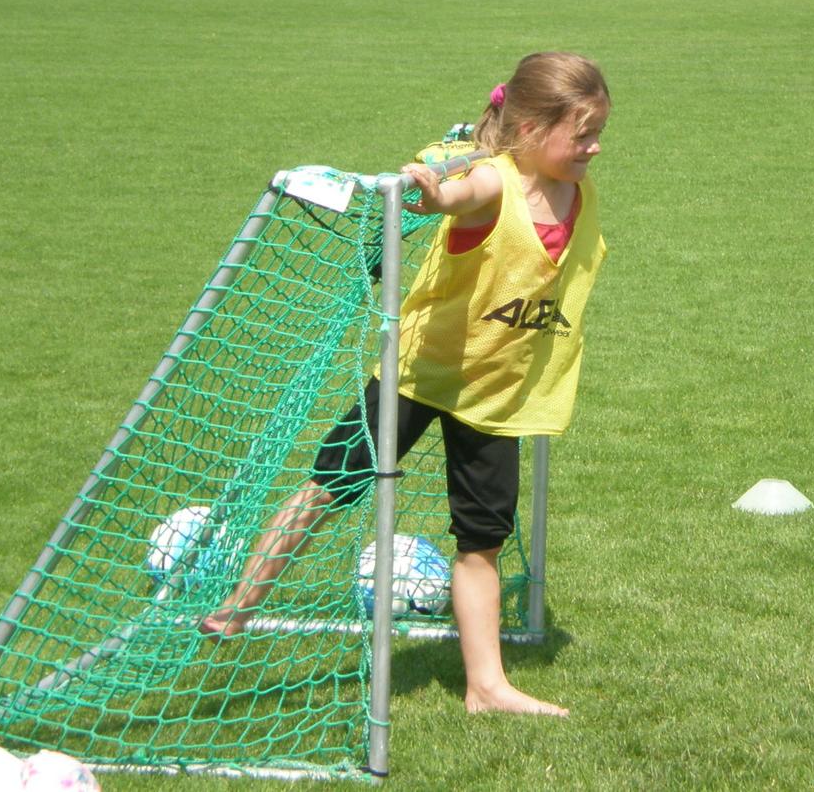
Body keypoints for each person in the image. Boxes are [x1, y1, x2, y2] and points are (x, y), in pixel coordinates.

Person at [201, 52, 610, 714]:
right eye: (582, 133)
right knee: (332, 483)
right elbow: (453, 196)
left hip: (494, 394)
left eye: (598, 134)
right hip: (418, 373)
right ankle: (240, 604)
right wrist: (429, 193)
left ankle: (486, 687)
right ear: (530, 129)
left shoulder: (578, 191)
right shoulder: (491, 183)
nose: (593, 147)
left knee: (483, 539)